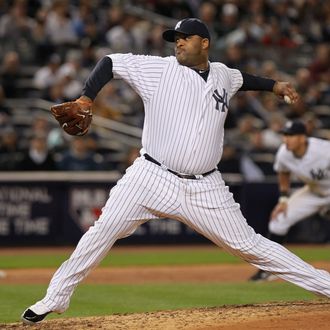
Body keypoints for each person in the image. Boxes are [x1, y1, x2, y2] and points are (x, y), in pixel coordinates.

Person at [21, 18, 330, 325]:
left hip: (206, 186)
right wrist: (87, 96)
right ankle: (55, 297)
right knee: (102, 231)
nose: (178, 42)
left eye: (185, 37)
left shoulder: (223, 75)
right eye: (175, 38)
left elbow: (244, 78)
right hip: (151, 176)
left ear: (205, 43)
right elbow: (110, 61)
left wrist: (275, 86)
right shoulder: (159, 69)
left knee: (250, 246)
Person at [250, 119, 330, 281]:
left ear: (302, 137)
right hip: (314, 192)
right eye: (285, 135)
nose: (286, 139)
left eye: (291, 135)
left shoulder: (323, 150)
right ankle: (270, 269)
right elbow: (283, 172)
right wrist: (283, 199)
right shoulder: (283, 153)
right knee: (278, 220)